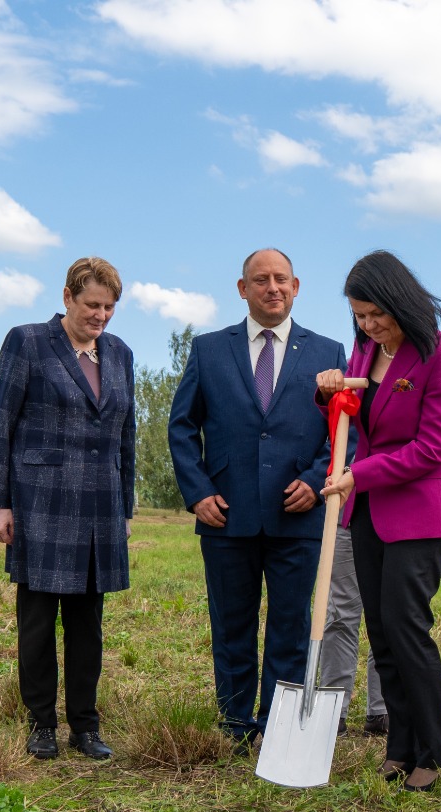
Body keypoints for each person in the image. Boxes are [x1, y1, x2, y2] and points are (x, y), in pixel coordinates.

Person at [167, 248, 347, 749]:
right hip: (226, 514)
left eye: (281, 279)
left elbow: (343, 432)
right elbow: (182, 427)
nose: (273, 288)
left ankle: (278, 728)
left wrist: (316, 480)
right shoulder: (208, 349)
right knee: (232, 625)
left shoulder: (329, 352)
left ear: (296, 286)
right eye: (261, 280)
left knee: (291, 627)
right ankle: (235, 724)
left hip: (299, 515)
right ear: (242, 289)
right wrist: (198, 492)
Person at [316, 250, 441, 794]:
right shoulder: (365, 351)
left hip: (417, 518)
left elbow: (435, 447)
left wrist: (359, 474)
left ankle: (433, 749)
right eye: (359, 315)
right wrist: (328, 394)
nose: (368, 325)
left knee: (407, 629)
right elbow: (353, 417)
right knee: (381, 634)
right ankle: (399, 747)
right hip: (367, 514)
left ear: (400, 301)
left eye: (376, 313)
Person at [0, 256, 135, 761]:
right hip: (40, 504)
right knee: (38, 624)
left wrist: (125, 509)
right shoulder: (26, 342)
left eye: (109, 307)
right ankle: (42, 723)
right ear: (67, 297)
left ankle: (85, 726)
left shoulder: (121, 354)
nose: (101, 316)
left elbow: (126, 436)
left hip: (100, 508)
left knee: (88, 626)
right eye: (92, 305)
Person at [320, 524, 388, 737]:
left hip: (394, 520)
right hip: (346, 519)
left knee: (389, 617)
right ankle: (332, 710)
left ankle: (382, 709)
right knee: (340, 616)